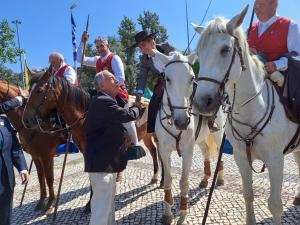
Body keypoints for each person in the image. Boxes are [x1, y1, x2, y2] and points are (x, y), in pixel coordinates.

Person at [131, 30, 219, 133]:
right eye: (139, 47)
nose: (141, 49)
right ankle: (153, 129)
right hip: (163, 82)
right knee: (153, 103)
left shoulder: (167, 46)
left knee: (198, 91)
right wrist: (138, 96)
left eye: (142, 45)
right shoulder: (144, 60)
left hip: (180, 78)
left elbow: (182, 58)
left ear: (152, 41)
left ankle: (210, 119)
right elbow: (142, 77)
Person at [84, 70, 143, 225]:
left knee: (108, 209)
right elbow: (127, 115)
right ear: (102, 85)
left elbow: (110, 124)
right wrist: (138, 107)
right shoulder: (104, 100)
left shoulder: (104, 100)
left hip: (105, 164)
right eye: (111, 78)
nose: (116, 80)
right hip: (102, 165)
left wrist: (123, 134)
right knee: (101, 213)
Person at [77, 32, 143, 152]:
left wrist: (110, 90)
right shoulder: (97, 60)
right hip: (103, 95)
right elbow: (79, 59)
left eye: (101, 46)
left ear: (107, 45)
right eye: (97, 47)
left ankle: (136, 144)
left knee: (126, 120)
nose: (99, 49)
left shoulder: (114, 58)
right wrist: (83, 42)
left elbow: (120, 77)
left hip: (117, 93)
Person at [248, 0, 300, 86]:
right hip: (251, 82)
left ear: (274, 4)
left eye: (261, 4)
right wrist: (247, 51)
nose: (257, 8)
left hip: (283, 84)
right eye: (256, 5)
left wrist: (276, 64)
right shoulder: (249, 30)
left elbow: (297, 55)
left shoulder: (290, 25)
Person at [0, 113, 29, 224]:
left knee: (5, 217)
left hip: (6, 179)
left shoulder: (3, 121)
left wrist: (22, 168)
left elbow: (14, 146)